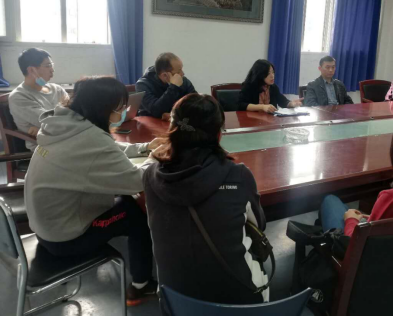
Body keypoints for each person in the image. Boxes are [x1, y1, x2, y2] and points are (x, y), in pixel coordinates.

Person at [24, 76, 163, 306]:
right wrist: (153, 158)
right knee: (137, 212)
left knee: (125, 199)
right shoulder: (91, 138)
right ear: (103, 108)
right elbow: (138, 181)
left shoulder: (64, 125)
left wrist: (144, 147)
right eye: (120, 108)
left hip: (45, 228)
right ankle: (141, 285)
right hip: (65, 239)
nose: (123, 112)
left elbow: (106, 147)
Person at [143, 94, 269, 305]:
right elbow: (259, 225)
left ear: (172, 130)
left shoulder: (150, 176)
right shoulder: (238, 175)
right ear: (218, 135)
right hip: (240, 303)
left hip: (174, 302)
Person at [8, 48, 69, 150]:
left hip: (67, 139)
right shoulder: (18, 97)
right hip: (45, 148)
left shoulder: (57, 89)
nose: (52, 70)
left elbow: (76, 113)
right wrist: (48, 127)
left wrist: (42, 129)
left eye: (52, 65)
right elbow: (53, 123)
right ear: (31, 70)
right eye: (48, 66)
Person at [136, 52, 196, 119]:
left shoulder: (183, 80)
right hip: (151, 121)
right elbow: (156, 111)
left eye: (181, 69)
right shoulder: (143, 85)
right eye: (178, 71)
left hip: (176, 120)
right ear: (165, 75)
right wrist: (174, 87)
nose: (183, 73)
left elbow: (196, 103)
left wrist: (176, 114)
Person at [238, 59, 302, 112]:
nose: (272, 76)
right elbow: (240, 105)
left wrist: (291, 104)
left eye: (273, 72)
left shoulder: (273, 87)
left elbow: (282, 101)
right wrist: (262, 107)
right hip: (252, 120)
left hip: (269, 120)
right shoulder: (248, 86)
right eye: (268, 73)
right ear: (260, 74)